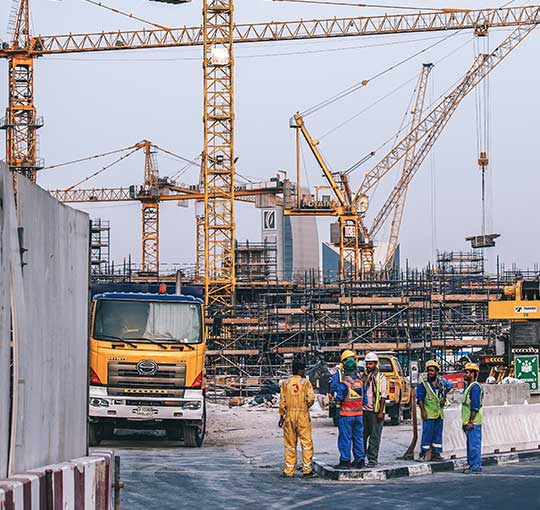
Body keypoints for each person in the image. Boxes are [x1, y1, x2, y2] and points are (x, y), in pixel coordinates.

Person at [278, 360, 316, 478]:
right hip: (302, 414)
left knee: (290, 443)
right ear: (299, 370)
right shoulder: (305, 382)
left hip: (289, 415)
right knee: (306, 443)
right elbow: (311, 398)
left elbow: (282, 401)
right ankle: (307, 469)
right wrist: (306, 406)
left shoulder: (286, 383)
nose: (304, 371)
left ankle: (289, 470)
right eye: (303, 369)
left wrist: (281, 416)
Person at [416, 360, 454, 461]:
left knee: (437, 435)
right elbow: (419, 399)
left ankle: (436, 453)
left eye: (432, 371)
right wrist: (423, 412)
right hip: (429, 414)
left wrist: (444, 395)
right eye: (428, 371)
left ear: (437, 372)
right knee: (427, 435)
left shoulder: (441, 382)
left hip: (439, 413)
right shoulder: (423, 384)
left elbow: (450, 385)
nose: (430, 373)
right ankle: (424, 453)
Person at [334, 358, 365, 469]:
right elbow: (364, 400)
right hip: (359, 415)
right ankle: (360, 460)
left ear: (345, 370)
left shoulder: (344, 384)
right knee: (358, 438)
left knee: (345, 438)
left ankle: (345, 460)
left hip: (346, 416)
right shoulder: (360, 383)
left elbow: (338, 399)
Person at [363, 352, 387, 468]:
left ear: (376, 364)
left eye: (371, 364)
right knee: (362, 436)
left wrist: (381, 411)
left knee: (374, 436)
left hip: (375, 411)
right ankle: (360, 458)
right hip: (364, 410)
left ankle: (372, 459)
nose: (368, 366)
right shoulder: (364, 376)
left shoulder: (381, 377)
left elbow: (383, 396)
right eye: (367, 363)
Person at [462, 362, 484, 474]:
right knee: (471, 445)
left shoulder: (475, 388)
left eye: (467, 372)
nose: (465, 374)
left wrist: (470, 421)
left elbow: (475, 406)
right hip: (469, 422)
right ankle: (472, 465)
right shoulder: (470, 387)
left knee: (474, 446)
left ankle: (475, 466)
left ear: (473, 374)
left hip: (473, 422)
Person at [329, 350, 356, 422]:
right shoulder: (338, 375)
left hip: (355, 407)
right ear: (344, 361)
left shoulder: (357, 372)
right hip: (342, 408)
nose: (352, 361)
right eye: (351, 359)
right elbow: (333, 389)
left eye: (353, 359)